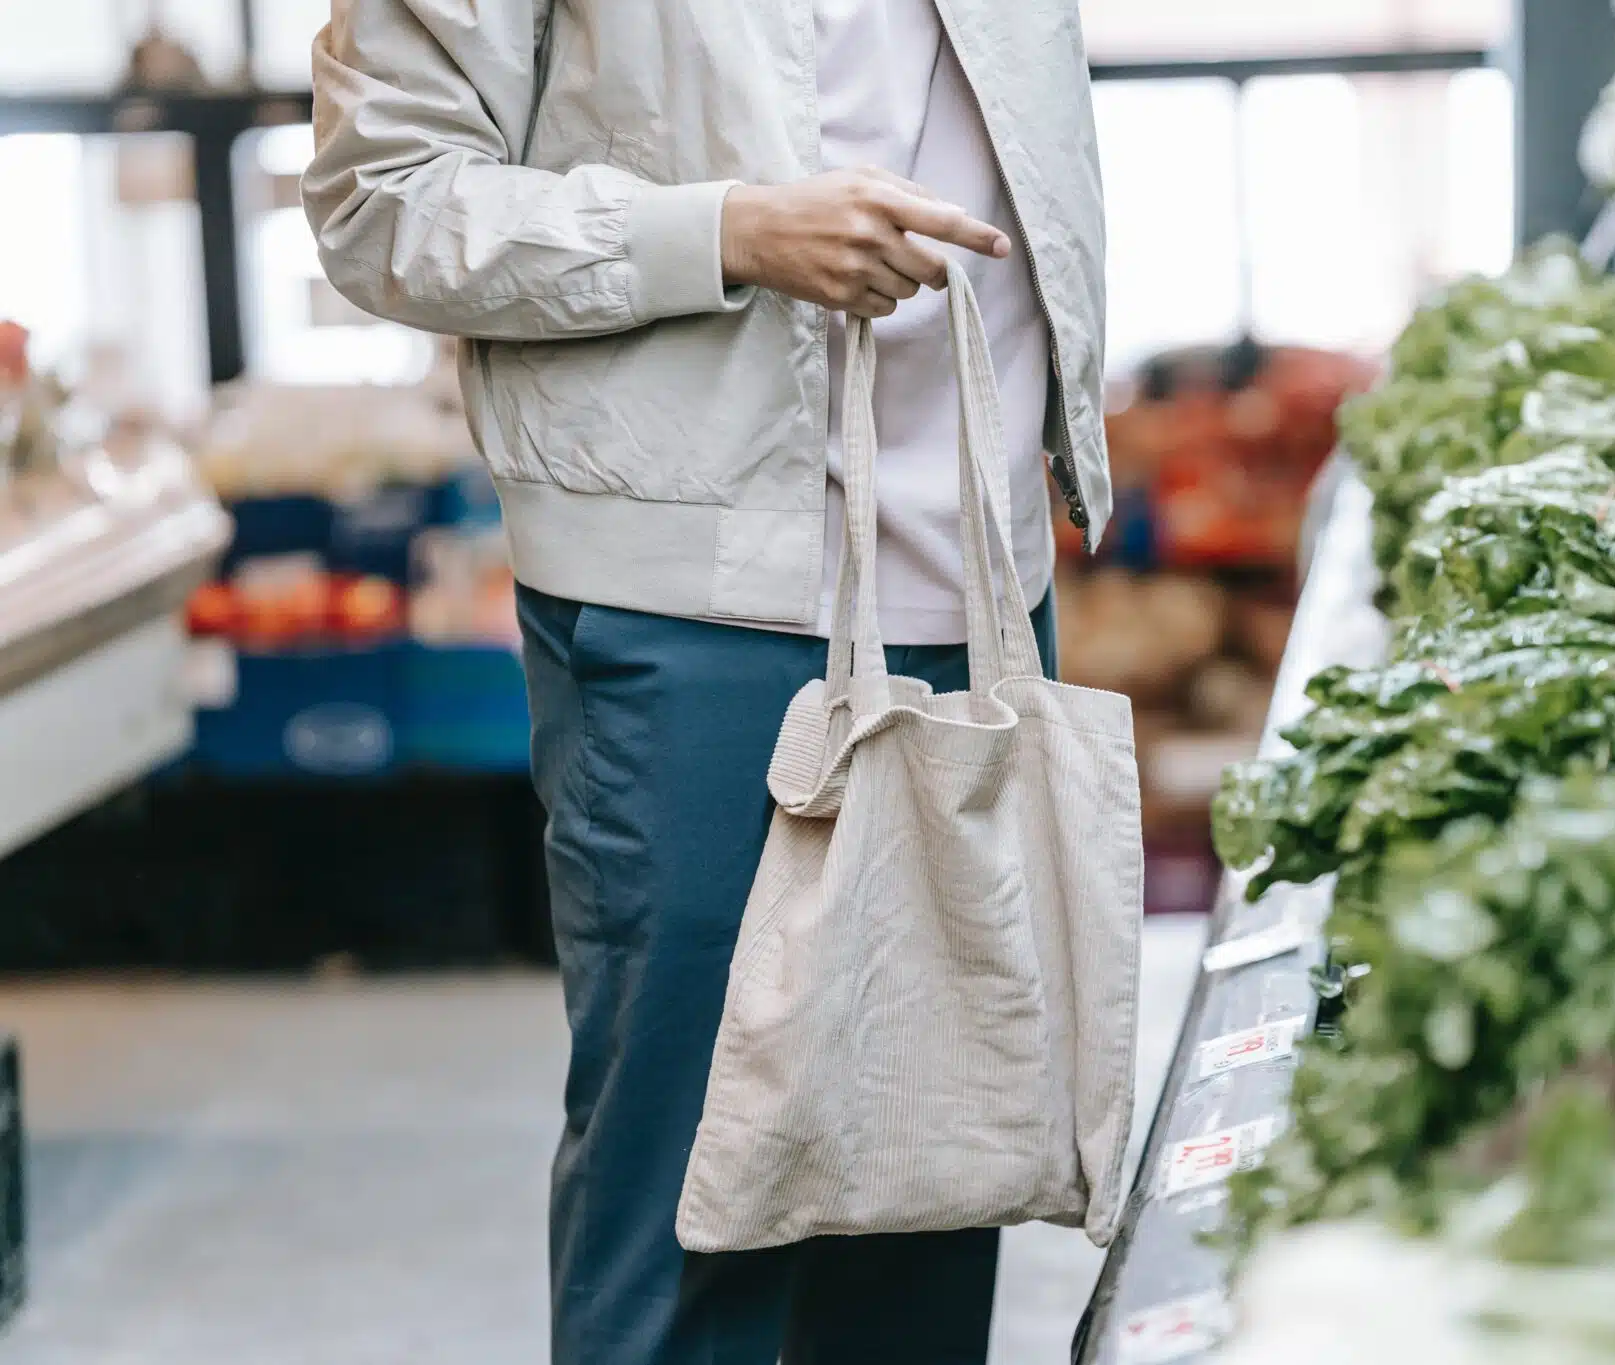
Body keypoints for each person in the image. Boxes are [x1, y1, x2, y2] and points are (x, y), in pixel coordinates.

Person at [302, 1, 1108, 1361]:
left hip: (976, 576)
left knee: (932, 1197)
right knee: (692, 1213)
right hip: (694, 594)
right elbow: (382, 203)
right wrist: (723, 231)